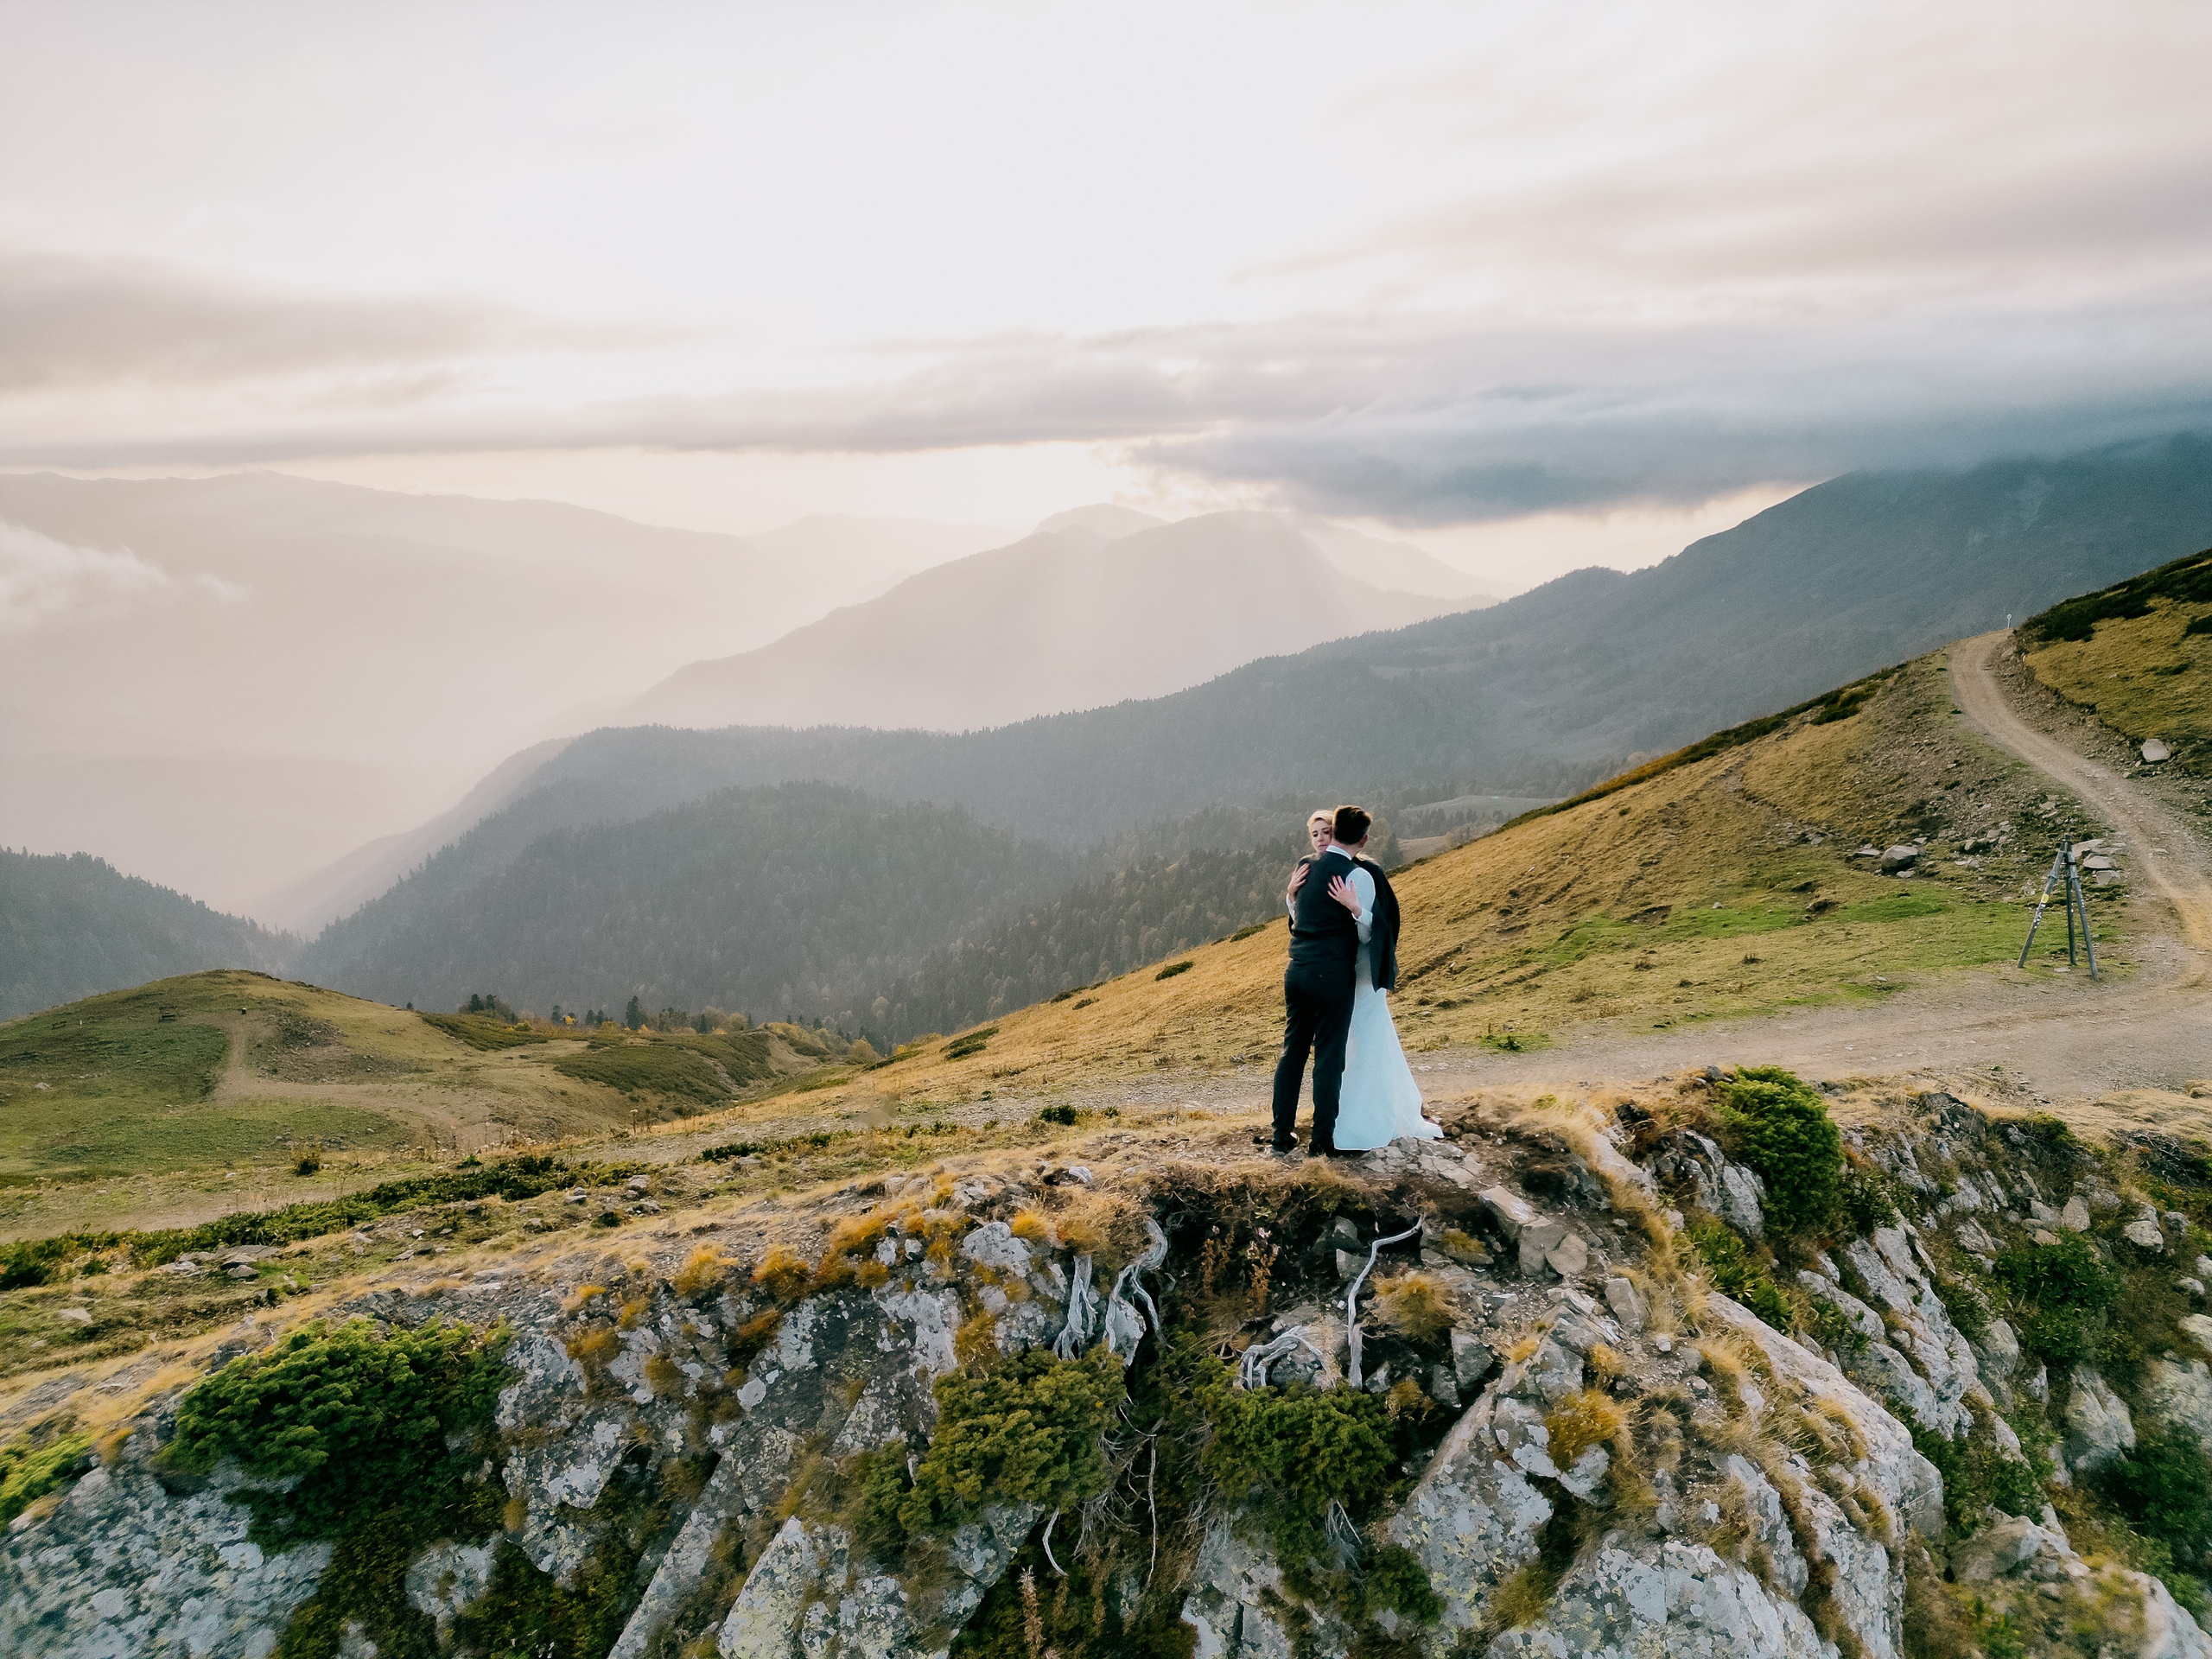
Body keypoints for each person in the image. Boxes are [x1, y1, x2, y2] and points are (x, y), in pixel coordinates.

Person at [1268, 804, 1440, 1154]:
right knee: (1330, 1058)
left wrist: (1290, 894)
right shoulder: (1358, 876)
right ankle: (1321, 1143)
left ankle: (1281, 1136)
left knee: (1293, 1053)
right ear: (1363, 839)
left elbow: (1301, 916)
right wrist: (1358, 910)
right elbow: (1367, 939)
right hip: (1331, 975)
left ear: (1333, 832)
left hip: (1295, 970)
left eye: (1324, 832)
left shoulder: (1305, 866)